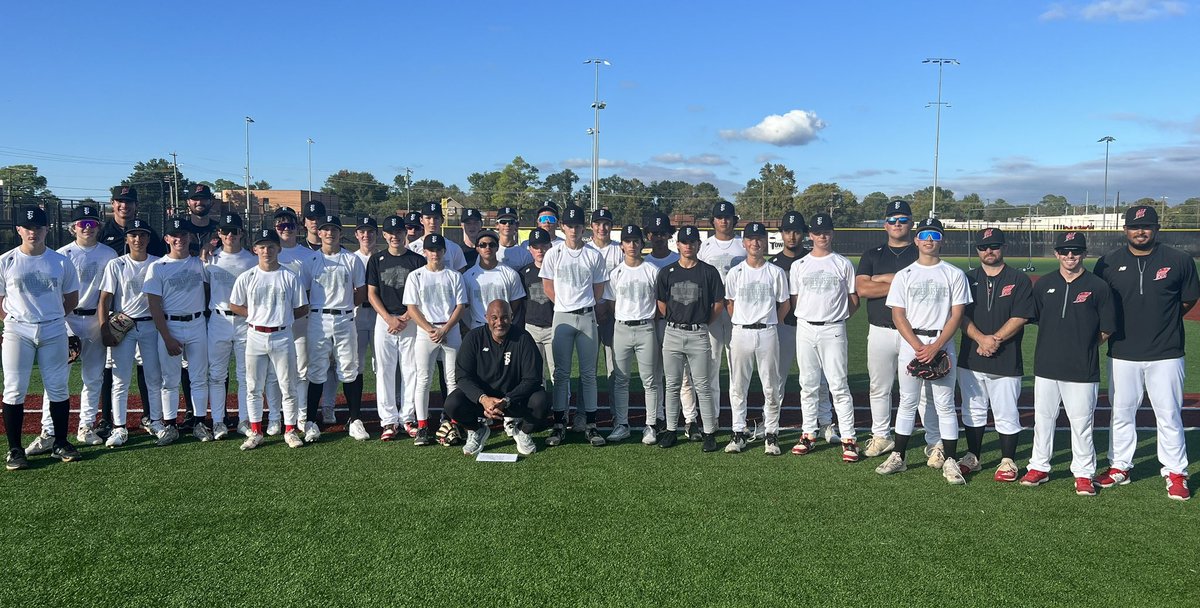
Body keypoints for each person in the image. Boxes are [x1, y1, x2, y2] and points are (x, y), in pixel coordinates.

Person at [1093, 205, 1199, 500]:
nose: (1141, 231)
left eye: (1147, 226)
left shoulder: (1178, 260)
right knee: (1122, 413)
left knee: (1168, 415)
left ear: (1156, 229)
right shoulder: (1108, 263)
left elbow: (1188, 300)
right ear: (1125, 229)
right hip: (1123, 351)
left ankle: (1176, 472)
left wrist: (1161, 320)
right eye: (1135, 227)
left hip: (1166, 353)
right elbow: (1102, 306)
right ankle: (1119, 467)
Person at [875, 218, 972, 484]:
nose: (929, 239)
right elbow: (898, 316)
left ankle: (950, 460)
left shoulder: (954, 274)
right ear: (917, 240)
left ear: (942, 240)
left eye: (935, 235)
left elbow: (957, 315)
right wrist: (920, 348)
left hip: (941, 344)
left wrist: (936, 347)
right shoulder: (905, 275)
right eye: (925, 234)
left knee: (944, 404)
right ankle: (899, 456)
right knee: (907, 402)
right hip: (912, 344)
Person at [1020, 231, 1115, 496]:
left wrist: (1082, 346)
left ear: (1084, 253)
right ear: (1056, 254)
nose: (1070, 256)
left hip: (1082, 368)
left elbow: (1106, 328)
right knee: (1043, 419)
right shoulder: (1044, 284)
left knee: (1081, 422)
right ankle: (1039, 466)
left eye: (1075, 251)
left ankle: (1084, 473)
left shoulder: (1098, 286)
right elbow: (1038, 317)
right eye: (1064, 251)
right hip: (1046, 365)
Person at [855, 200, 942, 462]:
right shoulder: (872, 254)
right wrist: (901, 282)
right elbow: (863, 290)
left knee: (924, 388)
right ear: (885, 224)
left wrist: (881, 280)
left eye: (902, 220)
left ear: (911, 225)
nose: (897, 224)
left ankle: (934, 441)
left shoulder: (920, 253)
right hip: (879, 329)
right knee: (879, 387)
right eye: (892, 220)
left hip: (914, 333)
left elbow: (922, 286)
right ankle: (882, 436)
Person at [2, 207, 82, 470]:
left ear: (47, 229)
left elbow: (71, 299)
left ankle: (60, 442)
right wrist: (13, 321)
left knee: (58, 386)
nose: (32, 232)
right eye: (27, 227)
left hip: (53, 329)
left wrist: (53, 317)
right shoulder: (6, 261)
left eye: (38, 227)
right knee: (14, 388)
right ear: (18, 230)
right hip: (18, 329)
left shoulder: (60, 261)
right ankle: (15, 449)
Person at [956, 227, 1035, 482]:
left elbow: (1021, 315)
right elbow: (960, 316)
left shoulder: (1018, 279)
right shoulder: (966, 278)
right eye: (983, 247)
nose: (989, 251)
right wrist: (981, 339)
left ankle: (1008, 460)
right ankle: (973, 456)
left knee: (1006, 411)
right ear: (977, 250)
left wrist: (994, 340)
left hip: (1006, 357)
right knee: (973, 410)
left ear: (1003, 248)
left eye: (994, 246)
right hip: (971, 356)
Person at [34, 204, 115, 447]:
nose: (87, 228)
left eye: (92, 223)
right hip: (67, 319)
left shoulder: (109, 254)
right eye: (82, 223)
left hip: (95, 320)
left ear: (99, 227)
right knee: (57, 377)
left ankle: (86, 426)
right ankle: (48, 432)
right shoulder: (62, 255)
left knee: (93, 377)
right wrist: (62, 324)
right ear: (73, 228)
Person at [787, 213, 860, 461]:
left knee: (838, 384)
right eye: (817, 232)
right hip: (806, 327)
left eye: (826, 232)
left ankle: (849, 438)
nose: (822, 236)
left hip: (833, 328)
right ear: (810, 235)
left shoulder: (843, 264)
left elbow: (853, 300)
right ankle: (809, 433)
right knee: (808, 384)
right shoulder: (799, 266)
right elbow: (795, 299)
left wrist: (836, 317)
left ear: (832, 233)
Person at [229, 228, 308, 450]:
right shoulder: (248, 276)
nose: (266, 251)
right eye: (262, 247)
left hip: (282, 335)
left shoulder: (289, 276)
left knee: (288, 385)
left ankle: (290, 430)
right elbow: (234, 304)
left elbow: (302, 307)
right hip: (255, 334)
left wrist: (282, 317)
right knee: (253, 386)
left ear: (278, 249)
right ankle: (256, 431)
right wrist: (255, 315)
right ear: (255, 249)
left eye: (271, 247)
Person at [95, 185, 164, 438]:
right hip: (122, 322)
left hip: (150, 325)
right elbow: (105, 298)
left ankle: (154, 420)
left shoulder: (158, 263)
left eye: (142, 235)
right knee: (118, 377)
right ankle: (117, 425)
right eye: (133, 235)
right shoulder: (114, 258)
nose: (138, 239)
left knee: (152, 376)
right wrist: (106, 328)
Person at [445, 300, 550, 457]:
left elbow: (533, 378)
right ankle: (477, 430)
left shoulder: (523, 338)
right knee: (453, 404)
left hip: (514, 400)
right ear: (486, 317)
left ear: (512, 317)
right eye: (494, 318)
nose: (499, 323)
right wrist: (483, 399)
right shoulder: (474, 338)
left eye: (504, 317)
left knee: (542, 400)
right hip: (484, 401)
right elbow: (462, 375)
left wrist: (507, 400)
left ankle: (523, 432)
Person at [540, 204, 608, 447]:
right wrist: (564, 304)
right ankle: (559, 424)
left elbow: (598, 288)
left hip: (587, 316)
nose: (574, 230)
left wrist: (583, 304)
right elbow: (547, 285)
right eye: (569, 225)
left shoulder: (593, 255)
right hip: (563, 317)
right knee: (561, 373)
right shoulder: (554, 253)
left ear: (584, 227)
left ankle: (590, 424)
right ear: (562, 226)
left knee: (589, 374)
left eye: (578, 225)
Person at [656, 225, 724, 452]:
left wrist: (701, 322)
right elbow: (662, 305)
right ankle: (671, 430)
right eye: (684, 242)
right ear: (677, 244)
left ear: (698, 244)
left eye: (692, 242)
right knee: (673, 384)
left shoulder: (708, 272)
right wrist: (678, 320)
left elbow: (717, 306)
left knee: (703, 385)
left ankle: (708, 433)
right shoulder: (666, 272)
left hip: (698, 333)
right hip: (673, 332)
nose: (688, 246)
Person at [723, 222, 789, 455]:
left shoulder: (775, 272)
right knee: (738, 385)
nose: (755, 243)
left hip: (767, 332)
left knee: (771, 386)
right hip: (741, 332)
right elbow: (729, 303)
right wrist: (743, 320)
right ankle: (738, 432)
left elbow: (785, 303)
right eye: (750, 239)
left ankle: (771, 434)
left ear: (765, 241)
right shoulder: (735, 272)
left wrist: (770, 322)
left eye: (759, 238)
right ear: (744, 243)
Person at [143, 218, 210, 445]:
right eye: (174, 235)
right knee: (169, 380)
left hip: (197, 323)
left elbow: (210, 289)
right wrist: (166, 336)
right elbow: (154, 304)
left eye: (183, 235)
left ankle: (199, 422)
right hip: (170, 324)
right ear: (167, 239)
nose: (179, 239)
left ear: (189, 237)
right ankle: (170, 425)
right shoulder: (158, 267)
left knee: (199, 377)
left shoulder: (200, 263)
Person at [769, 210, 834, 441]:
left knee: (821, 380)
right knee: (778, 378)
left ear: (804, 233)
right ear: (782, 234)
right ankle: (771, 425)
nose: (792, 236)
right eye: (787, 231)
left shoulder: (814, 259)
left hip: (812, 327)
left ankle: (826, 423)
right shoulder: (773, 263)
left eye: (796, 231)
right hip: (784, 327)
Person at [303, 215, 367, 443]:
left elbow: (360, 291)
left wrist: (345, 305)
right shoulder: (310, 261)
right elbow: (306, 293)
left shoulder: (352, 260)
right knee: (317, 370)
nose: (330, 233)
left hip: (345, 317)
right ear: (318, 233)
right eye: (325, 229)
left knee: (350, 368)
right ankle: (311, 421)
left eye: (334, 229)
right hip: (318, 319)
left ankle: (355, 420)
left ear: (341, 233)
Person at [402, 233, 468, 446]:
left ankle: (453, 421)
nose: (435, 253)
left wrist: (446, 328)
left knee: (452, 381)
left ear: (443, 251)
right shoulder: (416, 276)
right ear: (424, 252)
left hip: (450, 330)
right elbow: (412, 307)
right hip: (426, 332)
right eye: (431, 250)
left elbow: (461, 306)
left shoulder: (454, 275)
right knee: (424, 379)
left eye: (438, 249)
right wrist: (431, 329)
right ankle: (422, 426)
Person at [366, 215, 426, 441]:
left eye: (399, 232)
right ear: (384, 235)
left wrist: (405, 317)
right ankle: (389, 421)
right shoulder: (376, 259)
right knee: (385, 370)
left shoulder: (417, 260)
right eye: (390, 233)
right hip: (385, 321)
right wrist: (389, 318)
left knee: (411, 369)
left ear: (405, 234)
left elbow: (422, 295)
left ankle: (407, 417)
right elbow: (372, 293)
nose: (395, 236)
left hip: (410, 319)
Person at [689, 201, 745, 440]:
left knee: (737, 370)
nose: (724, 221)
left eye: (728, 217)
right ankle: (711, 418)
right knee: (710, 368)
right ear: (713, 221)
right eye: (719, 217)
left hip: (736, 312)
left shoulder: (743, 246)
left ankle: (737, 420)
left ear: (734, 220)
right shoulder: (705, 247)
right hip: (711, 312)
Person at [264, 207, 321, 435]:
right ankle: (275, 417)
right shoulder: (268, 252)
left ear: (297, 227)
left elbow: (310, 290)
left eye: (290, 225)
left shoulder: (308, 255)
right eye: (280, 225)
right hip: (273, 320)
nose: (285, 229)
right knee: (273, 371)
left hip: (300, 318)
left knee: (301, 369)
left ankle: (301, 415)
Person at [603, 224, 661, 444]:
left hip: (646, 327)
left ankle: (651, 425)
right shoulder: (616, 273)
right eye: (628, 241)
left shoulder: (652, 270)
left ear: (642, 244)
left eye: (636, 241)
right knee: (621, 379)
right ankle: (622, 424)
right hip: (622, 328)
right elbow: (611, 303)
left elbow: (659, 303)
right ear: (621, 245)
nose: (632, 245)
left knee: (650, 381)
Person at [204, 212, 257, 439]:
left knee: (246, 374)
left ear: (241, 233)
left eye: (234, 231)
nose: (229, 235)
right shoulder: (210, 259)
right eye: (225, 231)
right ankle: (218, 421)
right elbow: (205, 289)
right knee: (216, 374)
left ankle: (244, 420)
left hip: (245, 320)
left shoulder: (252, 260)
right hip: (218, 319)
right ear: (219, 234)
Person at [515, 228, 562, 422]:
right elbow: (520, 304)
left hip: (554, 327)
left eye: (543, 245)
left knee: (557, 374)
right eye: (535, 246)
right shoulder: (524, 272)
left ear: (550, 246)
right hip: (531, 328)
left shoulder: (558, 270)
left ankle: (561, 412)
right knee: (534, 375)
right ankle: (538, 412)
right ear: (530, 249)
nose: (540, 250)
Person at [587, 208, 622, 432]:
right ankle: (584, 413)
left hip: (613, 314)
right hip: (588, 313)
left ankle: (616, 413)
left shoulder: (619, 250)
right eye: (598, 223)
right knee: (588, 367)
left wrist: (609, 307)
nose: (602, 228)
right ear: (592, 226)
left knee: (614, 367)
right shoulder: (585, 249)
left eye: (606, 223)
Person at [346, 216, 379, 428]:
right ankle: (355, 413)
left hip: (378, 315)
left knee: (383, 364)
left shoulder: (383, 257)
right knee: (355, 364)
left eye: (370, 231)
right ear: (356, 235)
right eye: (362, 232)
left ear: (377, 234)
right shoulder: (350, 258)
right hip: (357, 314)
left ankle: (388, 409)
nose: (366, 235)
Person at [462, 230, 525, 330]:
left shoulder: (510, 274)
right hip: (478, 327)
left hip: (502, 327)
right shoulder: (468, 276)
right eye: (483, 245)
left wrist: (504, 319)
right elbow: (464, 305)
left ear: (497, 247)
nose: (488, 248)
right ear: (477, 248)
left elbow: (515, 301)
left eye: (492, 244)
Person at [407, 201, 467, 272]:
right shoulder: (411, 248)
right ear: (421, 220)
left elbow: (460, 274)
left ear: (442, 220)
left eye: (436, 218)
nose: (432, 222)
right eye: (428, 218)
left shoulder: (454, 248)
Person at [495, 206, 532, 270]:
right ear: (497, 225)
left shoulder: (525, 254)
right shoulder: (490, 250)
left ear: (517, 225)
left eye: (511, 222)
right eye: (503, 222)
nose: (507, 225)